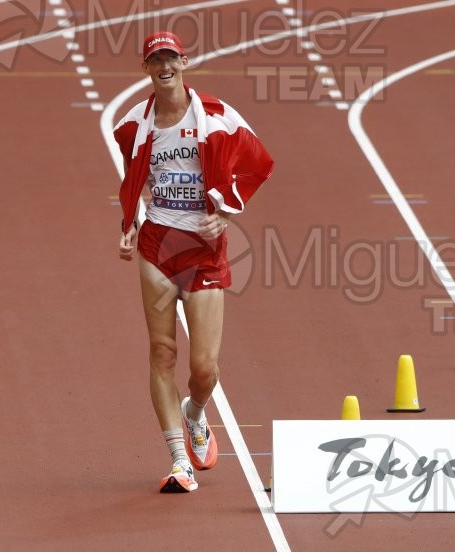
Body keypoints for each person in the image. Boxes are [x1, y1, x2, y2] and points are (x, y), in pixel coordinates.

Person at [112, 31, 273, 493]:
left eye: (171, 59)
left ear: (184, 62)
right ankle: (179, 460)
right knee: (162, 352)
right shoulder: (131, 125)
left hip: (202, 250)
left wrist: (225, 210)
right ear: (146, 69)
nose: (164, 67)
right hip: (157, 242)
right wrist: (130, 219)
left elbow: (259, 164)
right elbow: (135, 174)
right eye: (155, 60)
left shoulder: (218, 116)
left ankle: (196, 414)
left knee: (204, 368)